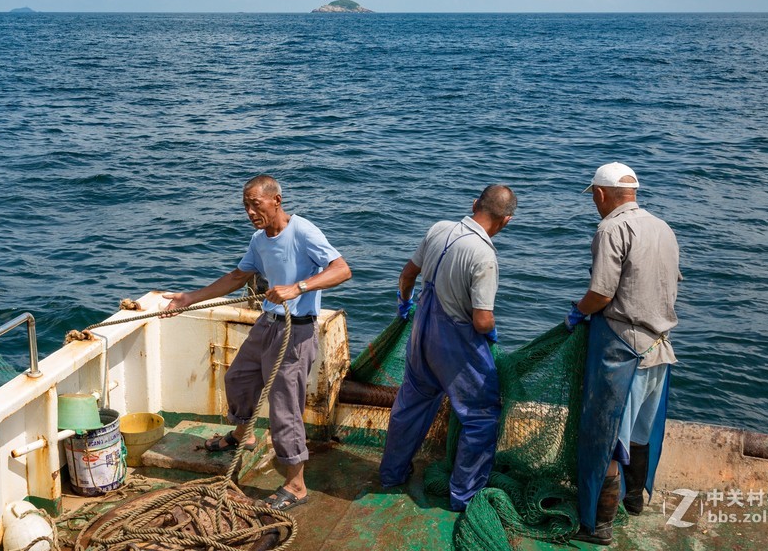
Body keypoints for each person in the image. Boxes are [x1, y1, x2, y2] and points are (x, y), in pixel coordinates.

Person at [162, 175, 351, 511]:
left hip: (297, 331)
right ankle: (243, 434)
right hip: (267, 323)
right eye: (245, 205)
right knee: (238, 379)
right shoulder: (259, 239)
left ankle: (296, 485)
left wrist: (298, 288)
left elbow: (341, 269)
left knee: (284, 409)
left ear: (276, 200)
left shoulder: (303, 230)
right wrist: (189, 298)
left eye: (255, 203)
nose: (250, 211)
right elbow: (237, 276)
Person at [378, 184, 517, 511]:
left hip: (421, 334)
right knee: (481, 416)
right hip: (455, 345)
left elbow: (408, 274)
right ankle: (463, 497)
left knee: (410, 406)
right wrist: (493, 335)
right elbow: (482, 319)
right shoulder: (484, 255)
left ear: (474, 204)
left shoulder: (439, 229)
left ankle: (391, 474)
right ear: (506, 221)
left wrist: (404, 304)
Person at [567, 162, 681, 545]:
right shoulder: (663, 228)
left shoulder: (611, 228)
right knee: (640, 432)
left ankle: (597, 525)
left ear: (601, 195)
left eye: (594, 198)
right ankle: (635, 502)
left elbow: (601, 293)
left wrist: (577, 311)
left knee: (607, 435)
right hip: (660, 349)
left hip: (622, 349)